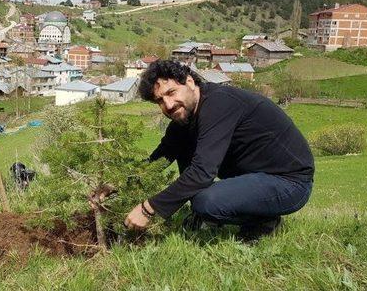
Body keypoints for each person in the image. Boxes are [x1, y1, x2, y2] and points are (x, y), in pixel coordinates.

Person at [123, 60, 314, 242]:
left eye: (171, 92)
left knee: (206, 202)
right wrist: (117, 183)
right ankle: (215, 213)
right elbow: (160, 158)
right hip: (254, 177)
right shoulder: (185, 118)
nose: (169, 104)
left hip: (290, 182)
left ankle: (263, 220)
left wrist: (149, 209)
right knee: (181, 145)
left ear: (189, 82)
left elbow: (202, 173)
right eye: (160, 101)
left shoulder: (219, 104)